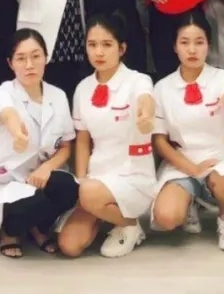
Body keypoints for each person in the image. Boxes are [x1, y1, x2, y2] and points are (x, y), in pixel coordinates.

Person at [57, 14, 156, 259]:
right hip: (96, 179)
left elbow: (145, 99)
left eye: (107, 44)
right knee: (69, 245)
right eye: (92, 45)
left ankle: (130, 225)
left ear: (122, 48)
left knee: (89, 194)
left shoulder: (137, 81)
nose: (99, 52)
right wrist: (81, 179)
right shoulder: (83, 88)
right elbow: (83, 140)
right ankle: (104, 213)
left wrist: (145, 115)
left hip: (132, 176)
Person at [0, 30, 79, 258]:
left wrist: (46, 168)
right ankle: (9, 231)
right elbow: (9, 115)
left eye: (36, 56)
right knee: (22, 206)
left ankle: (39, 227)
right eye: (21, 58)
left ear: (46, 57)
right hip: (7, 178)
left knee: (68, 187)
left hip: (41, 176)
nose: (29, 65)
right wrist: (18, 134)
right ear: (10, 63)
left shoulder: (58, 96)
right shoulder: (3, 92)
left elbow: (66, 146)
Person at [150, 15, 224, 251]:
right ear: (175, 46)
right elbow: (160, 142)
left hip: (220, 157)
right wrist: (193, 169)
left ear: (209, 45)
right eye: (184, 42)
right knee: (167, 217)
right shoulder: (162, 87)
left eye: (199, 42)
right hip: (182, 162)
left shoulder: (223, 77)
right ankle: (190, 200)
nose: (192, 49)